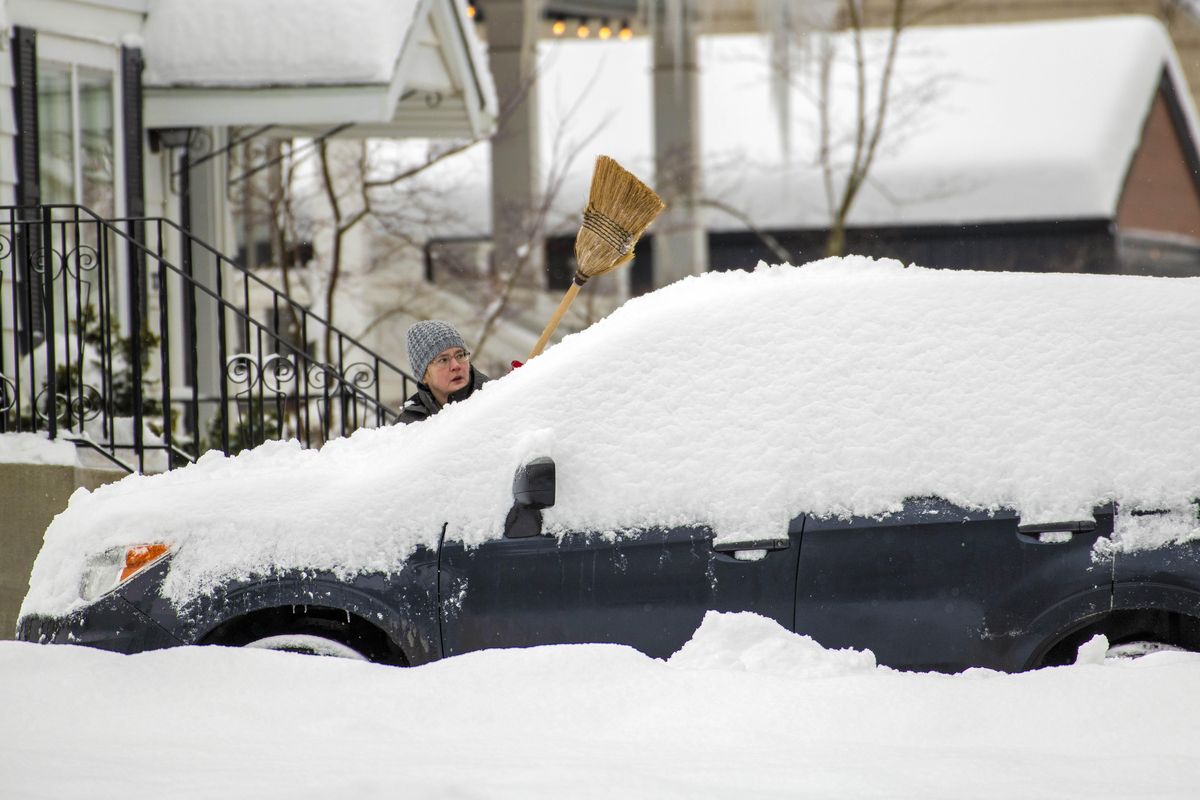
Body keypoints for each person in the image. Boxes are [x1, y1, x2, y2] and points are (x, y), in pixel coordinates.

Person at [397, 320, 490, 424]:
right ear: (424, 376)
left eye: (460, 355)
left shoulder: (494, 398)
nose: (456, 366)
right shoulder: (408, 425)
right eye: (443, 360)